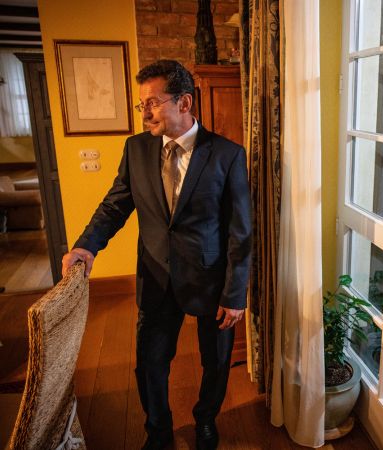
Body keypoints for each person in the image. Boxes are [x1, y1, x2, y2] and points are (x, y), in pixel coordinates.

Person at [62, 59, 252, 450]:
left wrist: (235, 294)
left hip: (210, 279)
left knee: (216, 361)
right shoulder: (135, 149)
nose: (145, 112)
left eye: (152, 102)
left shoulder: (227, 154)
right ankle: (159, 431)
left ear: (184, 102)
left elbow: (240, 231)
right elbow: (115, 205)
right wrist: (86, 245)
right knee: (150, 363)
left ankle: (205, 420)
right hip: (155, 276)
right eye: (142, 104)